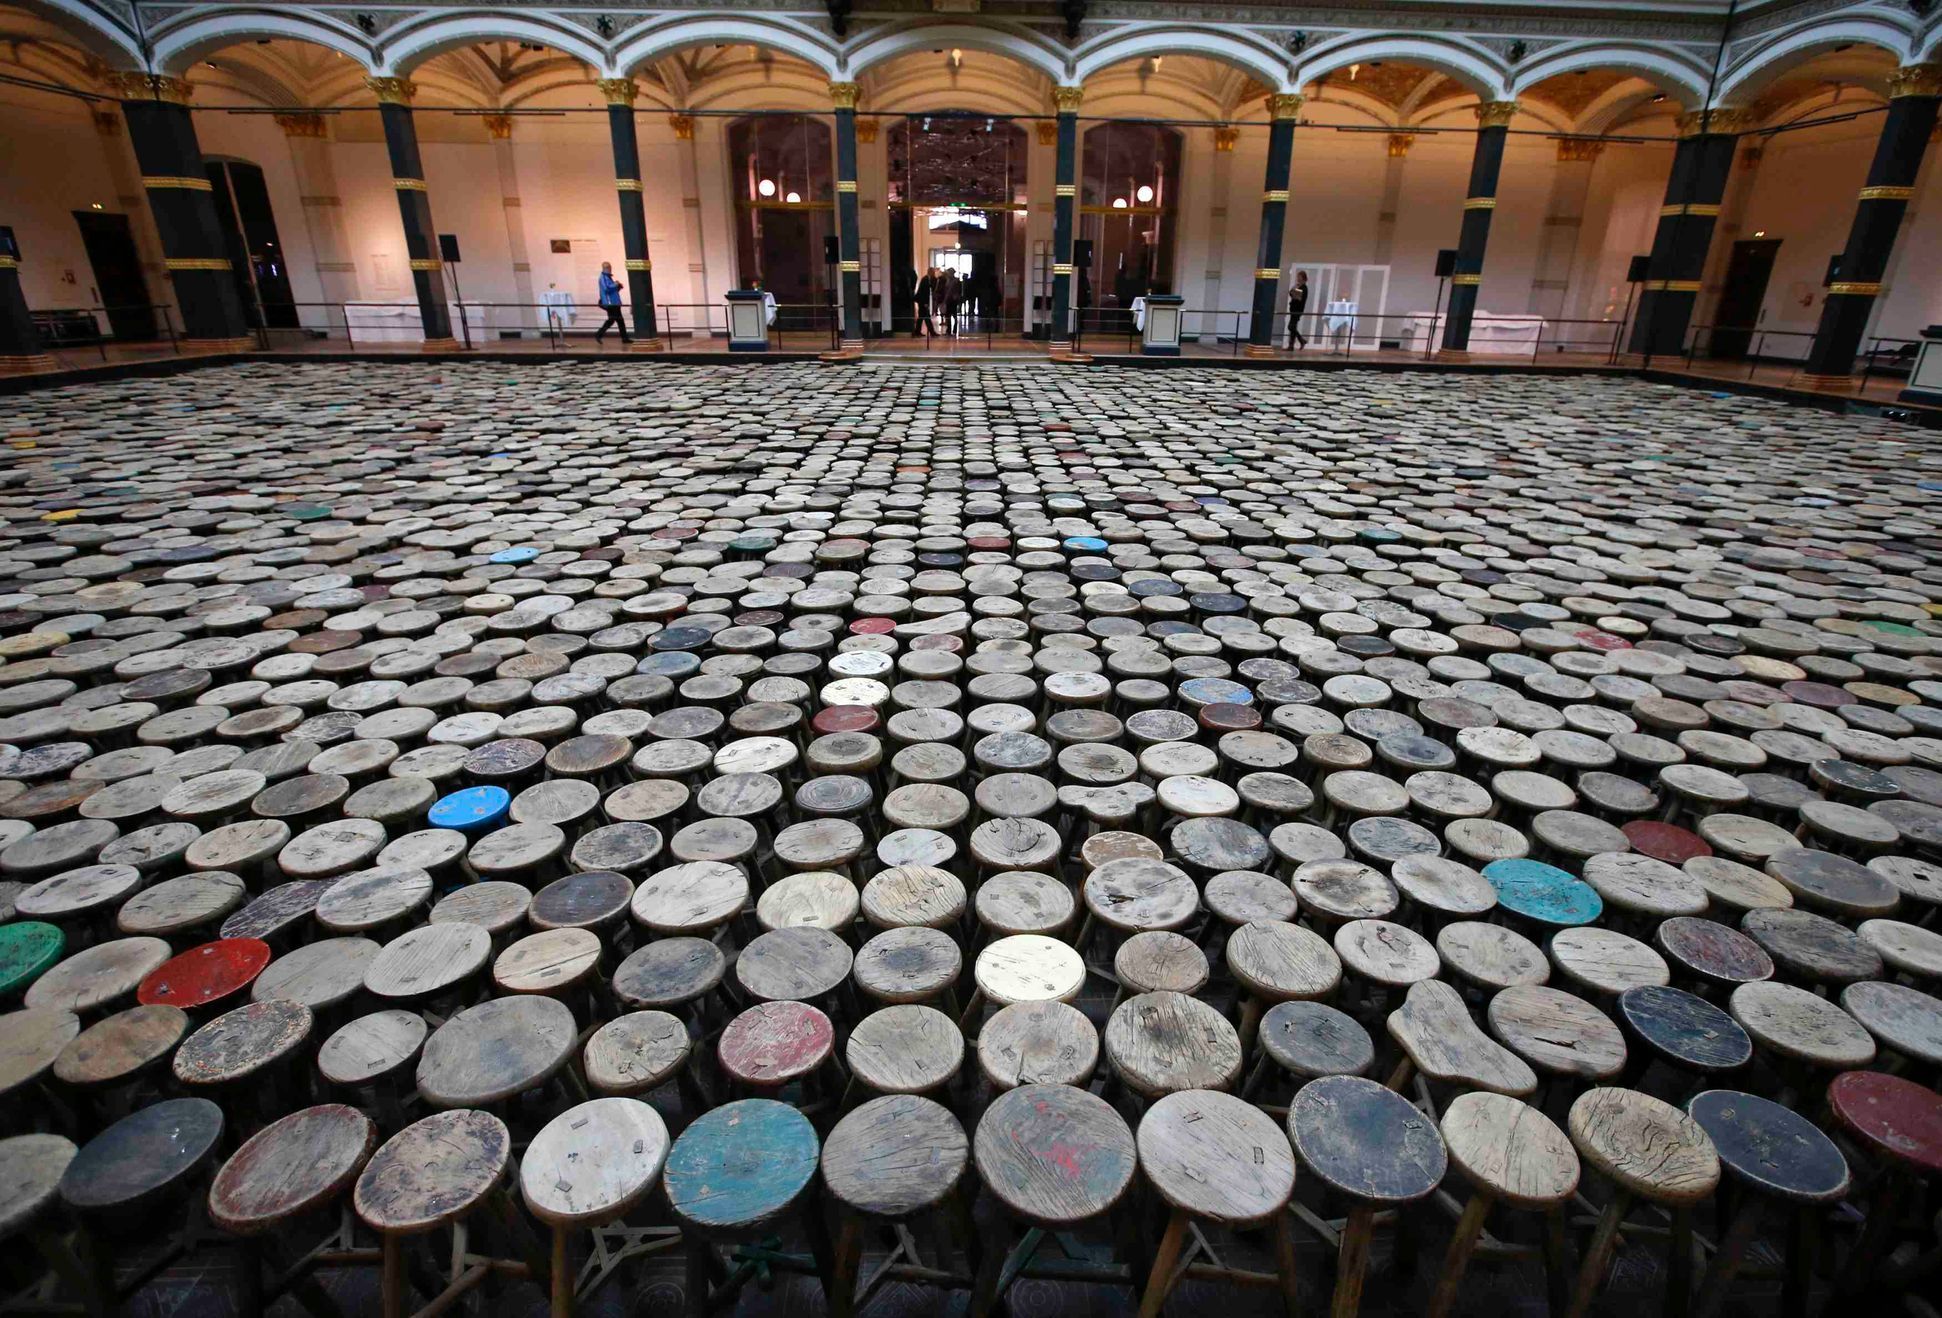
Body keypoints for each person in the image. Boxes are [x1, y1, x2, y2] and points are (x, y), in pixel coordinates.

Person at [595, 262, 629, 345]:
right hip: (610, 303)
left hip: (614, 303)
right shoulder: (603, 278)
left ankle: (624, 338)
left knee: (617, 320)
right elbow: (607, 288)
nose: (610, 269)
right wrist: (616, 284)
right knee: (614, 320)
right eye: (609, 268)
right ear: (606, 268)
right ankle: (598, 334)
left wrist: (618, 286)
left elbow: (611, 290)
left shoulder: (607, 277)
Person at [1287, 270, 1309, 350]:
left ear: (1303, 278)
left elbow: (1297, 297)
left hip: (1298, 310)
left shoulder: (1304, 288)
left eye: (1299, 277)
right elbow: (1291, 293)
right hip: (1293, 309)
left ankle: (1301, 340)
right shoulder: (1298, 286)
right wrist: (1294, 288)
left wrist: (1294, 292)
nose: (1298, 278)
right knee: (1293, 327)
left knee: (1291, 326)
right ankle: (1291, 346)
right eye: (1298, 277)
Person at [913, 267, 937, 337]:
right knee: (926, 317)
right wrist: (925, 303)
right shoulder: (925, 280)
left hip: (923, 301)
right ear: (930, 272)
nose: (934, 273)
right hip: (922, 301)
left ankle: (918, 331)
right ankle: (932, 332)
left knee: (922, 317)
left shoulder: (928, 279)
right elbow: (923, 292)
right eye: (933, 272)